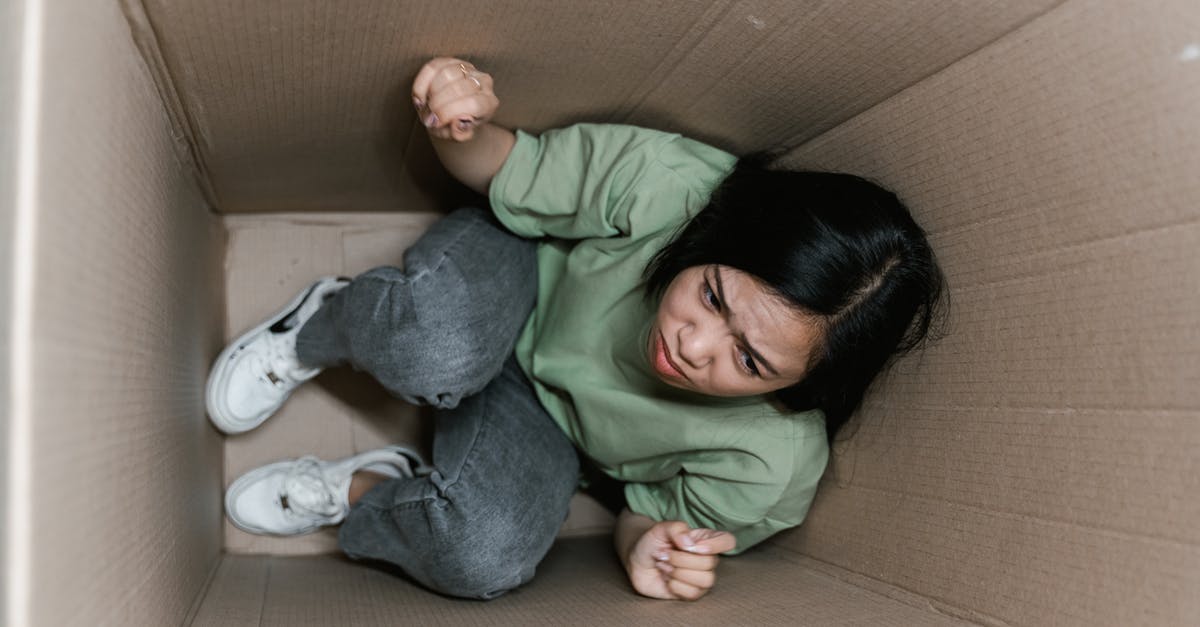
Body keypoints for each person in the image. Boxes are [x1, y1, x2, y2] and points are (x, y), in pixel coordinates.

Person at [207, 57, 946, 602]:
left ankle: (370, 490)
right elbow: (499, 167)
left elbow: (642, 519)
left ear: (803, 386)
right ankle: (321, 324)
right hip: (522, 275)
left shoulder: (771, 463)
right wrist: (460, 123)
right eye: (714, 295)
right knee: (436, 341)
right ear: (726, 230)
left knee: (483, 557)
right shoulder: (676, 187)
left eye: (748, 361)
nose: (694, 345)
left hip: (547, 424)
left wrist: (646, 546)